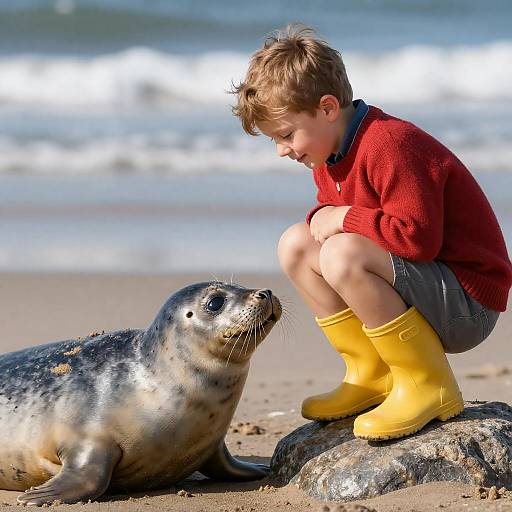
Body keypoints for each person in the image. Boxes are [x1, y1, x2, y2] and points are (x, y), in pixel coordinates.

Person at [230, 24, 512, 441]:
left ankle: (426, 383)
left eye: (287, 135)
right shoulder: (330, 153)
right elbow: (333, 218)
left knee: (342, 254)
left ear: (327, 108)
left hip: (467, 303)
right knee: (296, 245)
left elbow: (417, 239)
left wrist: (344, 218)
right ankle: (373, 372)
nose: (282, 150)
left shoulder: (390, 144)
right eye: (276, 140)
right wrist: (332, 219)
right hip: (426, 287)